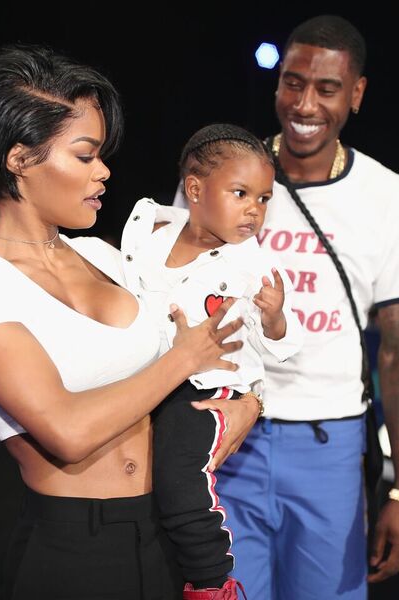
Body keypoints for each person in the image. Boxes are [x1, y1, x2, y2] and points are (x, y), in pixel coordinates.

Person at [0, 44, 260, 600]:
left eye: (102, 155)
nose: (104, 171)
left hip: (170, 532)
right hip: (74, 551)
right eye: (85, 156)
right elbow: (67, 430)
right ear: (18, 159)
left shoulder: (109, 259)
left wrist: (250, 404)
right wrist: (184, 357)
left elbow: (212, 362)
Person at [172, 14, 399, 599]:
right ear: (277, 85)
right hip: (227, 437)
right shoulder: (221, 177)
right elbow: (173, 303)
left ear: (357, 93)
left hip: (330, 448)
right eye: (293, 82)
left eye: (327, 88)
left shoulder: (389, 198)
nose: (305, 103)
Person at [121, 124, 303, 599]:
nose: (254, 210)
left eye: (264, 199)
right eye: (242, 193)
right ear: (195, 189)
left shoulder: (252, 265)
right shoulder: (149, 233)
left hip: (209, 389)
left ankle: (213, 583)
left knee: (181, 478)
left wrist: (276, 316)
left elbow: (282, 344)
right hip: (152, 380)